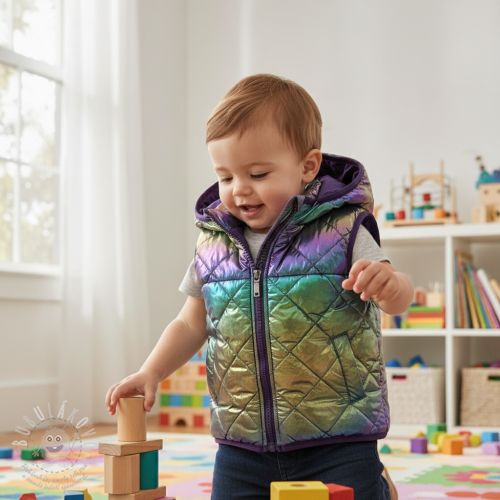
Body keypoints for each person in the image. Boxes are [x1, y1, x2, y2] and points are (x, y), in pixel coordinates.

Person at [105, 73, 412, 499]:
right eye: (226, 177)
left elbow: (399, 298)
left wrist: (390, 285)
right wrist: (150, 371)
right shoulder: (214, 243)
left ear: (308, 166)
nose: (239, 190)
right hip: (242, 444)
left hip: (338, 438)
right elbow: (191, 323)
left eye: (258, 173)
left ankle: (377, 486)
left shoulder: (342, 229)